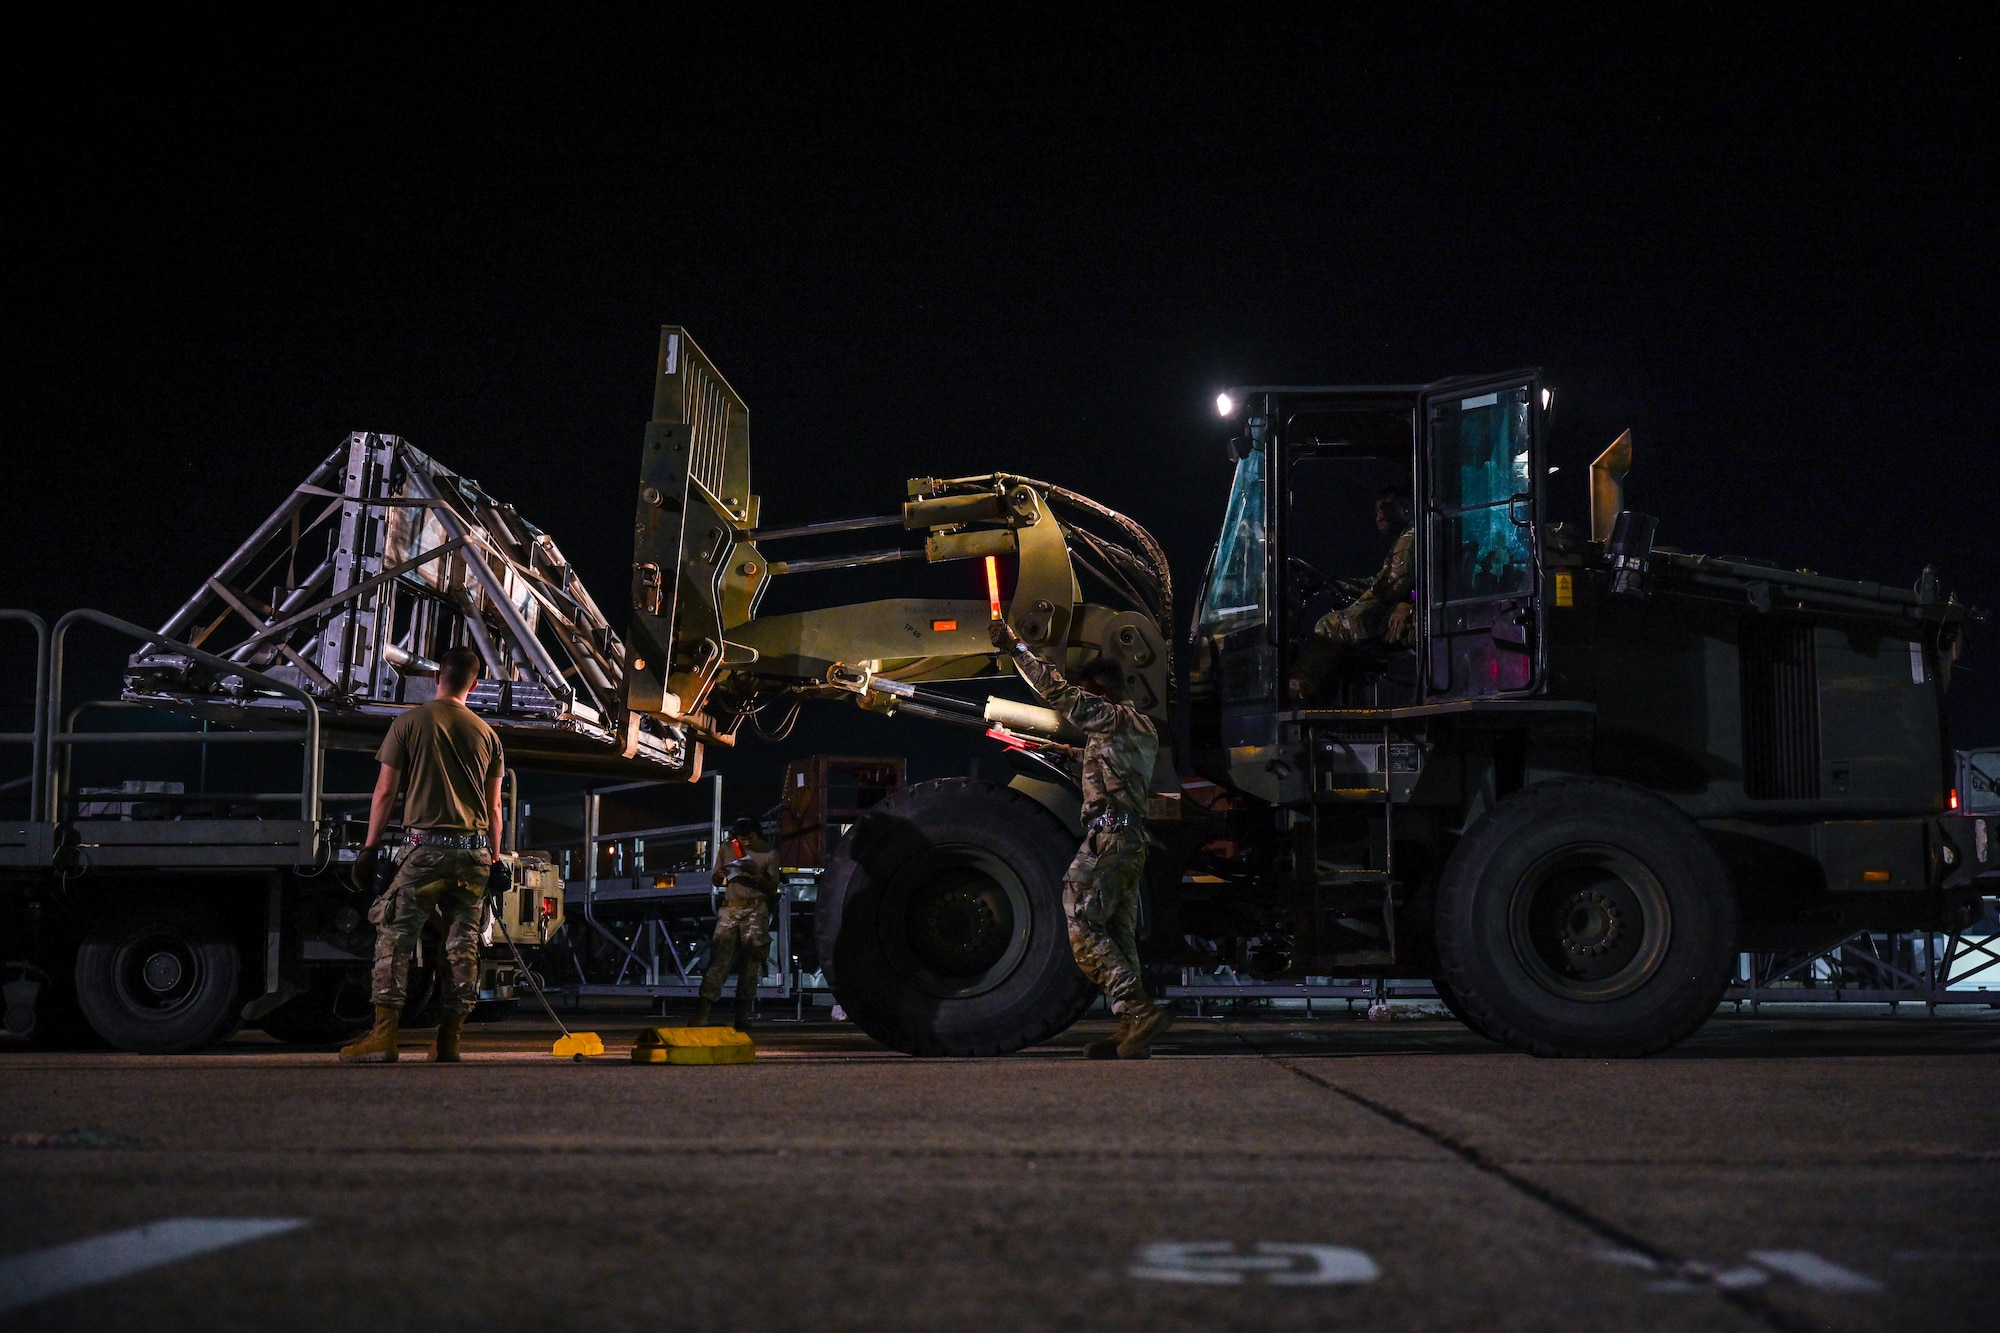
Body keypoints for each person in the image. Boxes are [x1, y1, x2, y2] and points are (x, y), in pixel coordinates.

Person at [990, 619, 1169, 1059]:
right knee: (1117, 931)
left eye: (1087, 692)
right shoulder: (1136, 728)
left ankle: (1139, 1009)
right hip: (1128, 840)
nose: (1083, 702)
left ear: (1100, 692)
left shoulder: (1108, 717)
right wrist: (1048, 751)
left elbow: (1060, 694)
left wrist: (1017, 648)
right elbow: (1099, 761)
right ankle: (1132, 1025)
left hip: (1108, 838)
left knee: (1081, 919)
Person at [339, 647, 506, 1065]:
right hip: (474, 856)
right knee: (462, 945)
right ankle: (448, 1041)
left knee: (394, 938)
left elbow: (385, 793)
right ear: (474, 684)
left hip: (425, 852)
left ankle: (383, 1038)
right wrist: (497, 859)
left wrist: (370, 850)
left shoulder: (408, 723)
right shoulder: (488, 734)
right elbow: (495, 808)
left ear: (437, 679)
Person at [695, 817, 780, 1030]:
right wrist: (720, 875)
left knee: (751, 964)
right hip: (730, 908)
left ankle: (741, 1016)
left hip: (756, 909)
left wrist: (757, 876)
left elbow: (772, 888)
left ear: (757, 834)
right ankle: (702, 1013)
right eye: (741, 839)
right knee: (718, 962)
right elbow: (716, 881)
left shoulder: (769, 853)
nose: (745, 843)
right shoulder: (727, 848)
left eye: (749, 838)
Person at [1313, 487, 1416, 647]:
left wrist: (1353, 609)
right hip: (1403, 605)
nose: (1379, 518)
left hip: (1406, 611)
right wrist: (1334, 584)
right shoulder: (1407, 536)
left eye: (1386, 510)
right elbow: (1380, 582)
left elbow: (1387, 590)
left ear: (1406, 508)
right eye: (1377, 512)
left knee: (1328, 627)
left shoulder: (1410, 538)